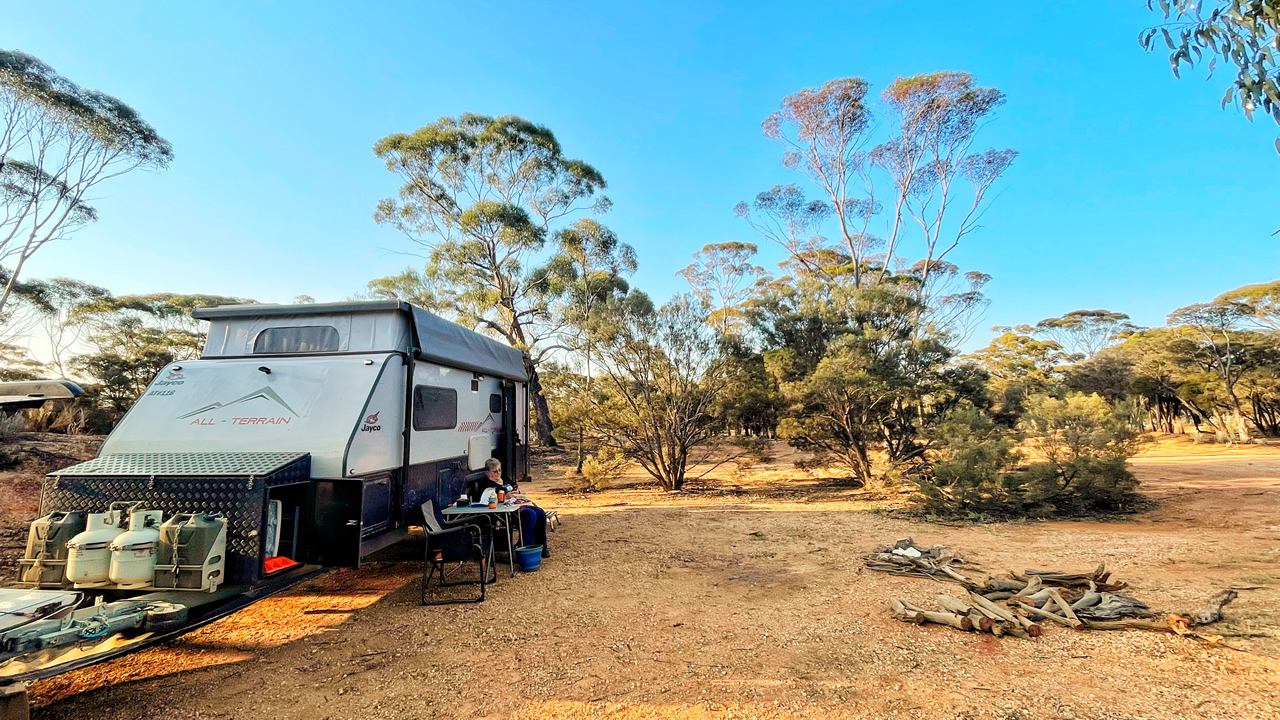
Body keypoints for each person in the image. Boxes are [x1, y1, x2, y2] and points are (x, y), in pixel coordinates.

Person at [474, 458, 549, 559]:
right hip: (502, 512)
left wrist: (516, 493)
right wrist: (504, 496)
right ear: (487, 472)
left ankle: (541, 548)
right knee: (530, 515)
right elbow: (485, 500)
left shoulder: (504, 479)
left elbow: (515, 488)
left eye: (499, 470)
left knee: (540, 513)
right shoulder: (486, 484)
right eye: (494, 472)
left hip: (516, 504)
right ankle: (527, 551)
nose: (498, 474)